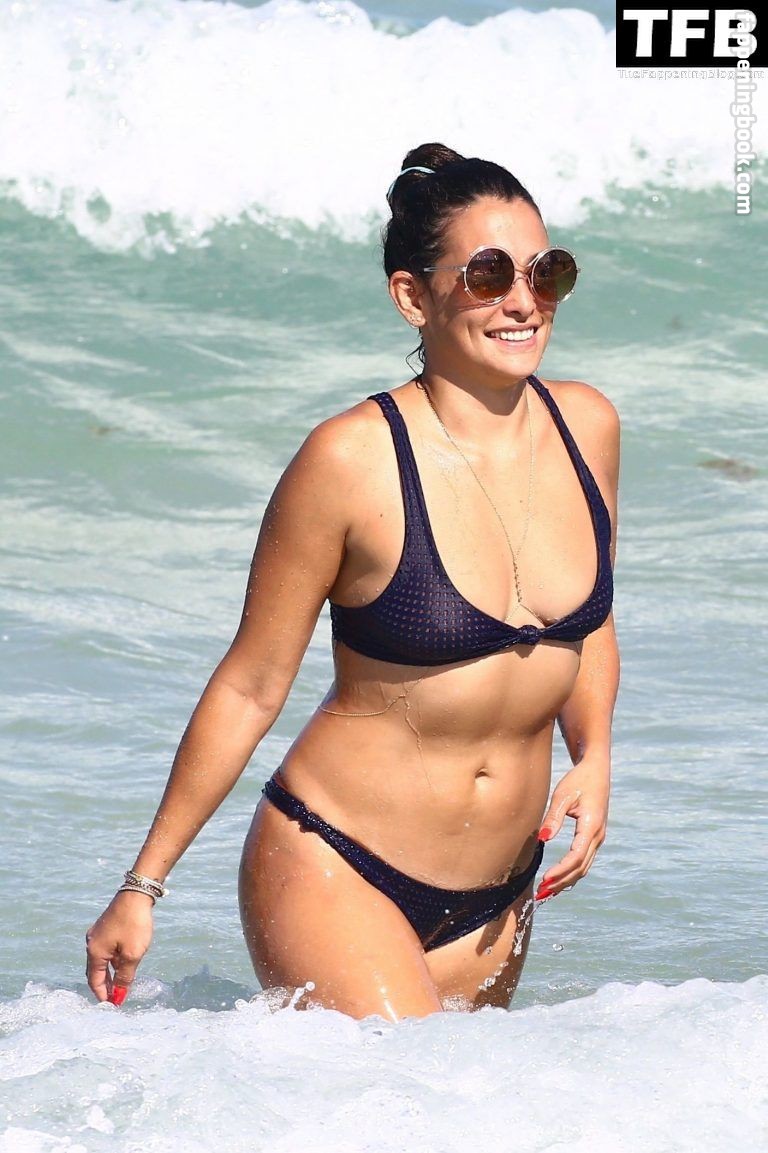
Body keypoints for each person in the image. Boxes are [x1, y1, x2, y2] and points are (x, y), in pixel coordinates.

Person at [86, 143, 620, 1021]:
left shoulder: (587, 427)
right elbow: (253, 682)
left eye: (545, 271)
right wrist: (143, 885)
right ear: (412, 296)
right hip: (337, 863)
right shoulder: (349, 460)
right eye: (488, 275)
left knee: (477, 1099)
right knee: (418, 1093)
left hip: (498, 897)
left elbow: (590, 625)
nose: (524, 300)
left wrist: (594, 755)